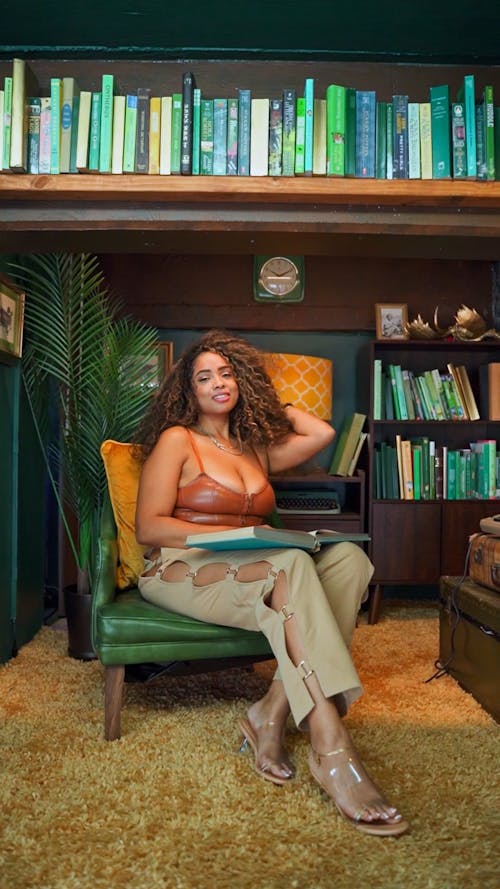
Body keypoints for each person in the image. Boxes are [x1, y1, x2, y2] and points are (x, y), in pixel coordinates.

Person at [134, 329, 409, 837]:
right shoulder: (180, 440)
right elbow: (149, 526)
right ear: (187, 391)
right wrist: (232, 533)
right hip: (179, 568)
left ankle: (269, 712)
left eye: (227, 372)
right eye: (204, 377)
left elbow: (320, 433)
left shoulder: (253, 447)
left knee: (347, 558)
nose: (218, 383)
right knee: (289, 564)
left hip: (250, 561)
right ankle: (331, 746)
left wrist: (261, 394)